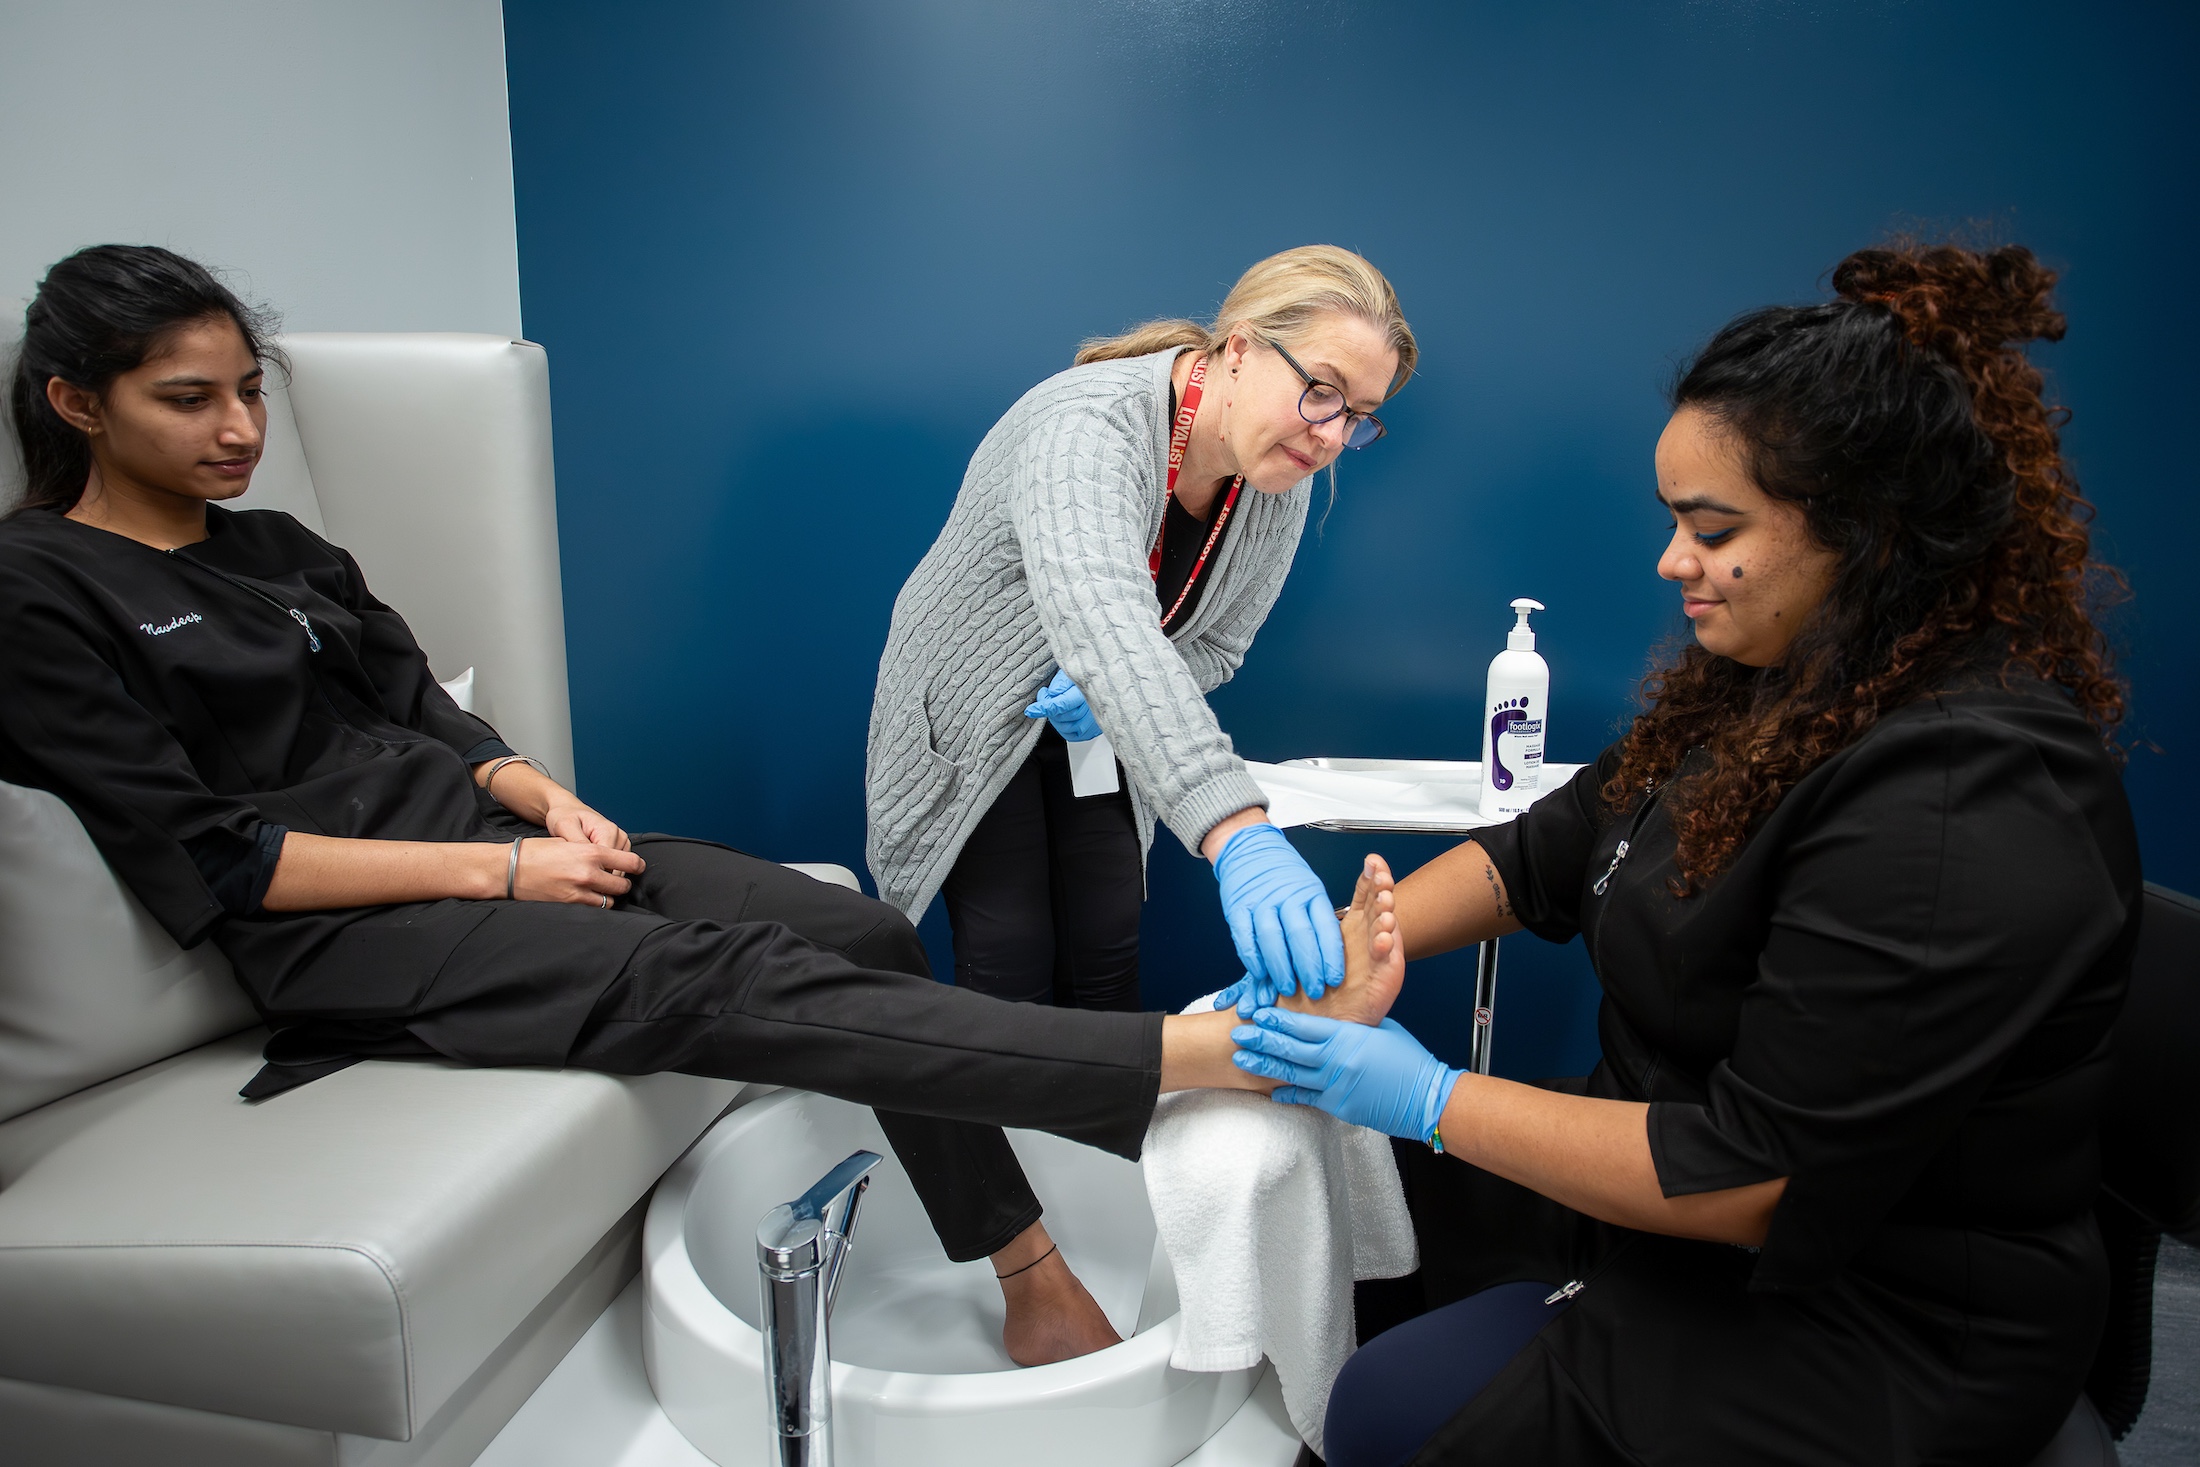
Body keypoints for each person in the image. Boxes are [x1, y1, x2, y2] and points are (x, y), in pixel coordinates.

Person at [0, 244, 1292, 1369]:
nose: (237, 427)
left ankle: (1029, 1273)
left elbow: (429, 713)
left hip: (488, 848)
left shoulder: (281, 548)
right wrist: (503, 878)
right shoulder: (39, 587)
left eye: (247, 391)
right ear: (76, 404)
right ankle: (1161, 1104)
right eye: (189, 399)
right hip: (346, 931)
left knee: (860, 928)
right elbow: (223, 860)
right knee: (720, 974)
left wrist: (543, 804)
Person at [1231, 242, 2140, 1465]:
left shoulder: (1958, 803)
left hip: (1872, 1316)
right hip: (1672, 1201)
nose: (1672, 563)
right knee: (1358, 1230)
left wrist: (1428, 1095)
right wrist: (1352, 949)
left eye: (1713, 529)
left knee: (1394, 1412)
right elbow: (1540, 857)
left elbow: (1752, 1179)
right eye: (1673, 522)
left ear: (1869, 535)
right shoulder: (1767, 693)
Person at [867, 245, 1415, 1013]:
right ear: (1240, 348)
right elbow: (1109, 630)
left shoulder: (1277, 474)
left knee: (1106, 943)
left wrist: (1112, 696)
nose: (1329, 437)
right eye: (1321, 392)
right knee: (1011, 957)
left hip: (1111, 724)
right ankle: (1008, 1134)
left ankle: (1097, 1136)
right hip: (978, 713)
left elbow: (1219, 645)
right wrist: (1237, 830)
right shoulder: (1087, 425)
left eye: (1357, 416)